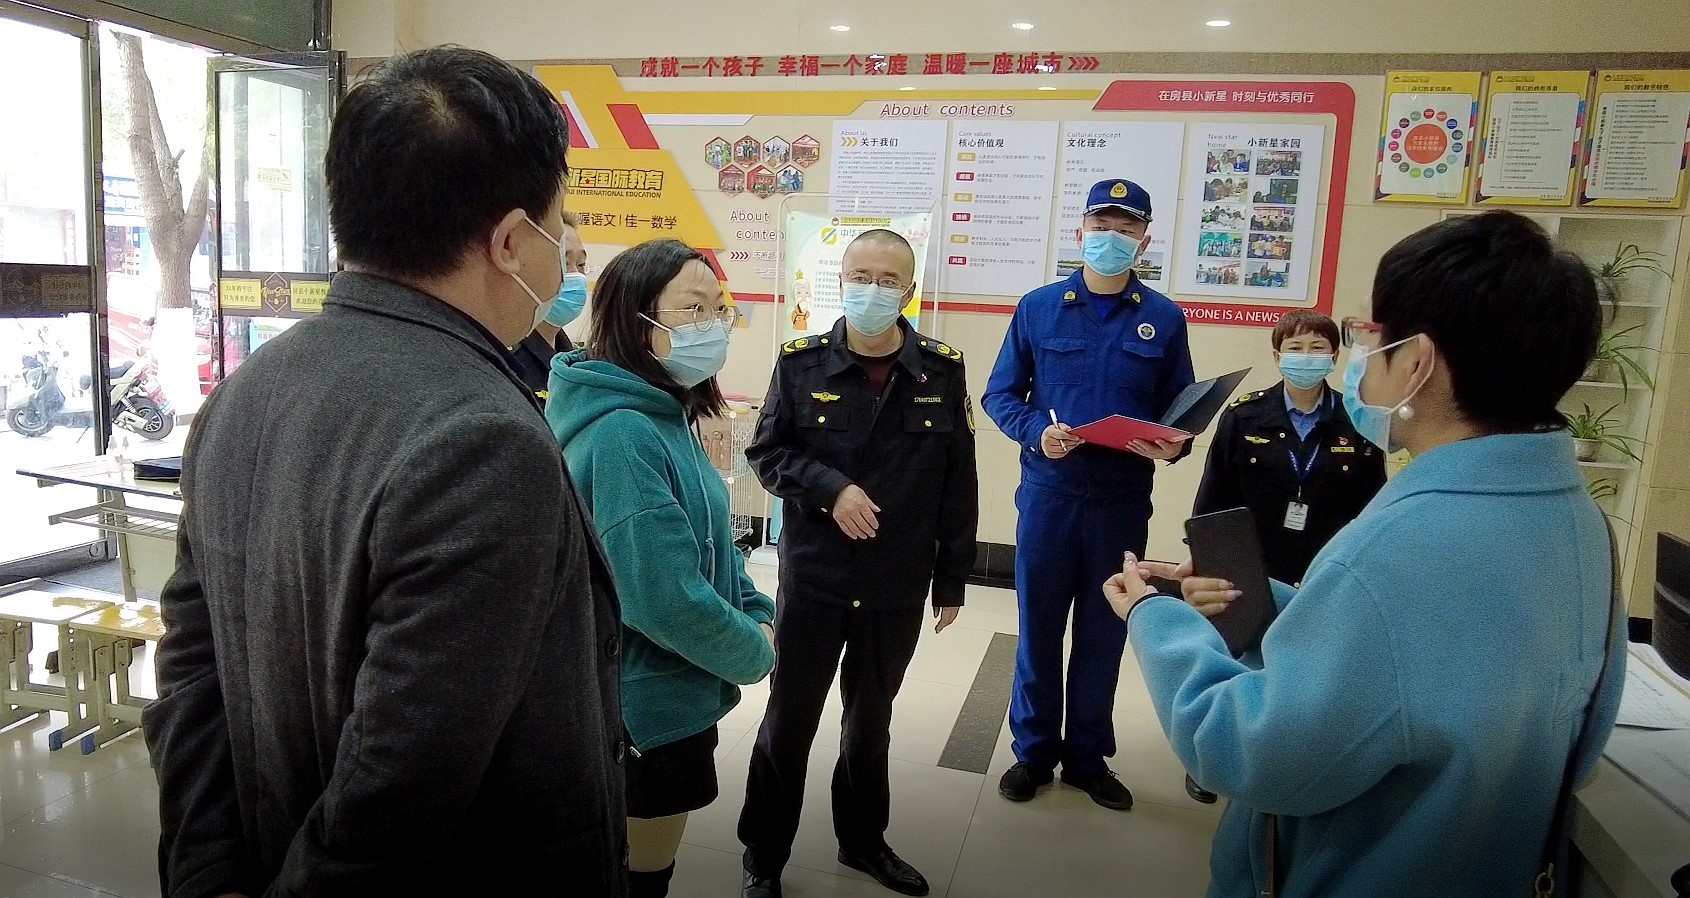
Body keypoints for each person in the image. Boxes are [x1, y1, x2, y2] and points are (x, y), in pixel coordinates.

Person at [142, 47, 627, 897]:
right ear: (512, 241)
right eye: (562, 220)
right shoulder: (484, 439)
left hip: (263, 849)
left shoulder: (247, 391)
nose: (567, 252)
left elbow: (191, 667)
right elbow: (400, 787)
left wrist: (207, 870)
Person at [1108, 210, 1623, 897]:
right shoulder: (1580, 524)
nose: (1355, 356)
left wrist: (1156, 618)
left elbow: (1255, 752)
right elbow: (1440, 665)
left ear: (1415, 362)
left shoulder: (1395, 550)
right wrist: (1270, 600)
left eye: (1366, 337)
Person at [738, 229, 979, 898]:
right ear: (841, 281)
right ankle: (764, 855)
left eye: (888, 279)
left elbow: (959, 480)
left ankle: (863, 841)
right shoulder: (801, 363)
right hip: (815, 576)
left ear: (909, 290)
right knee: (789, 721)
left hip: (895, 581)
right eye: (860, 276)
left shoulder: (941, 370)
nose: (872, 289)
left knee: (871, 723)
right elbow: (767, 453)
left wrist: (952, 578)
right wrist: (831, 489)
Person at [547, 238, 777, 898]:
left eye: (718, 309)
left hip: (670, 693)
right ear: (637, 320)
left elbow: (711, 543)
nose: (713, 325)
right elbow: (663, 597)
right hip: (642, 707)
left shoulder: (665, 411)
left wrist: (756, 609)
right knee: (639, 877)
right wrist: (754, 650)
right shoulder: (624, 432)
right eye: (692, 309)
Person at [982, 179, 1194, 811]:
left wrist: (1172, 447)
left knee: (1105, 631)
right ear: (1081, 232)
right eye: (1102, 226)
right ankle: (1033, 753)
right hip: (1049, 497)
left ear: (1144, 241)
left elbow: (1181, 412)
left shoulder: (1164, 318)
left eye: (1126, 230)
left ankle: (1086, 757)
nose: (1112, 238)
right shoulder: (1039, 307)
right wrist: (1035, 435)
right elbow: (1000, 394)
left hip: (1122, 502)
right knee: (1039, 629)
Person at [1181, 310, 1385, 805]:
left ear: (1334, 356)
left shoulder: (1358, 420)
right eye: (1295, 348)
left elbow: (1373, 504)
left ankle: (1286, 756)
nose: (1306, 357)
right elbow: (1214, 496)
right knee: (1236, 660)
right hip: (1250, 561)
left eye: (1318, 348)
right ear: (1277, 356)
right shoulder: (1244, 416)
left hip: (1323, 564)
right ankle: (1212, 759)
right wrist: (1207, 560)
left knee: (1303, 666)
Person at [507, 209, 588, 395]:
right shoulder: (509, 360)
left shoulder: (576, 359)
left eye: (581, 265)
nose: (576, 276)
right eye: (565, 263)